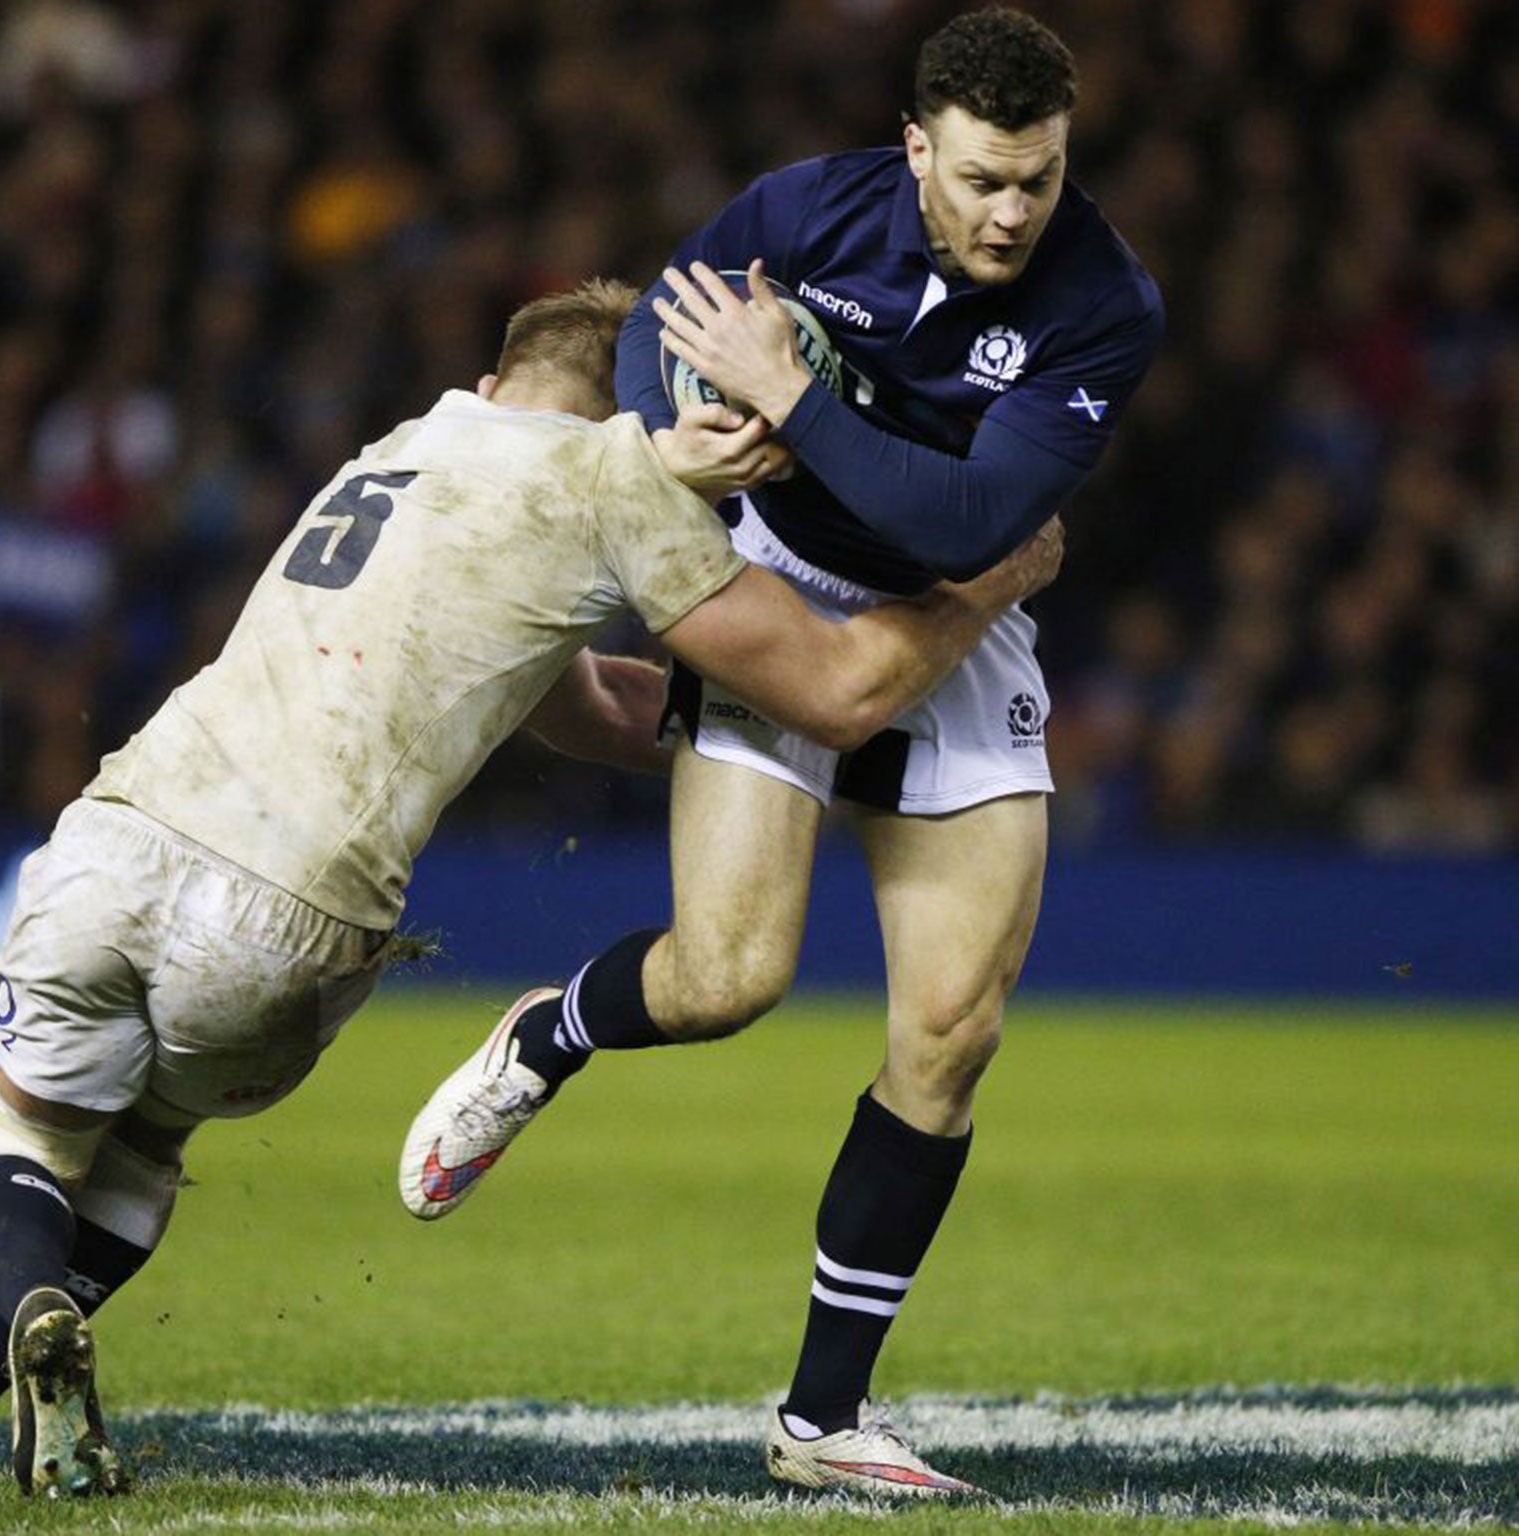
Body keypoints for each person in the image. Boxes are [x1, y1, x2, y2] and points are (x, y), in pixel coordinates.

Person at [0, 277, 1061, 1494]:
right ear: (638, 402)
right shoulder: (615, 481)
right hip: (302, 933)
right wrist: (975, 577)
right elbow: (802, 687)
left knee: (13, 1137)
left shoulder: (404, 442)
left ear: (493, 381)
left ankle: (22, 1314)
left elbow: (573, 695)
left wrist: (721, 723)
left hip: (141, 834)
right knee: (134, 1167)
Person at [400, 7, 1161, 1500]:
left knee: (953, 1029)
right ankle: (548, 1036)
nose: (1015, 212)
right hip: (774, 583)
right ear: (916, 150)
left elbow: (965, 529)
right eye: (986, 179)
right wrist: (672, 435)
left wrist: (795, 396)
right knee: (727, 977)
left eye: (1042, 179)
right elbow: (646, 331)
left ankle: (822, 1421)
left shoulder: (1105, 303)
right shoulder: (807, 211)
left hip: (956, 606)